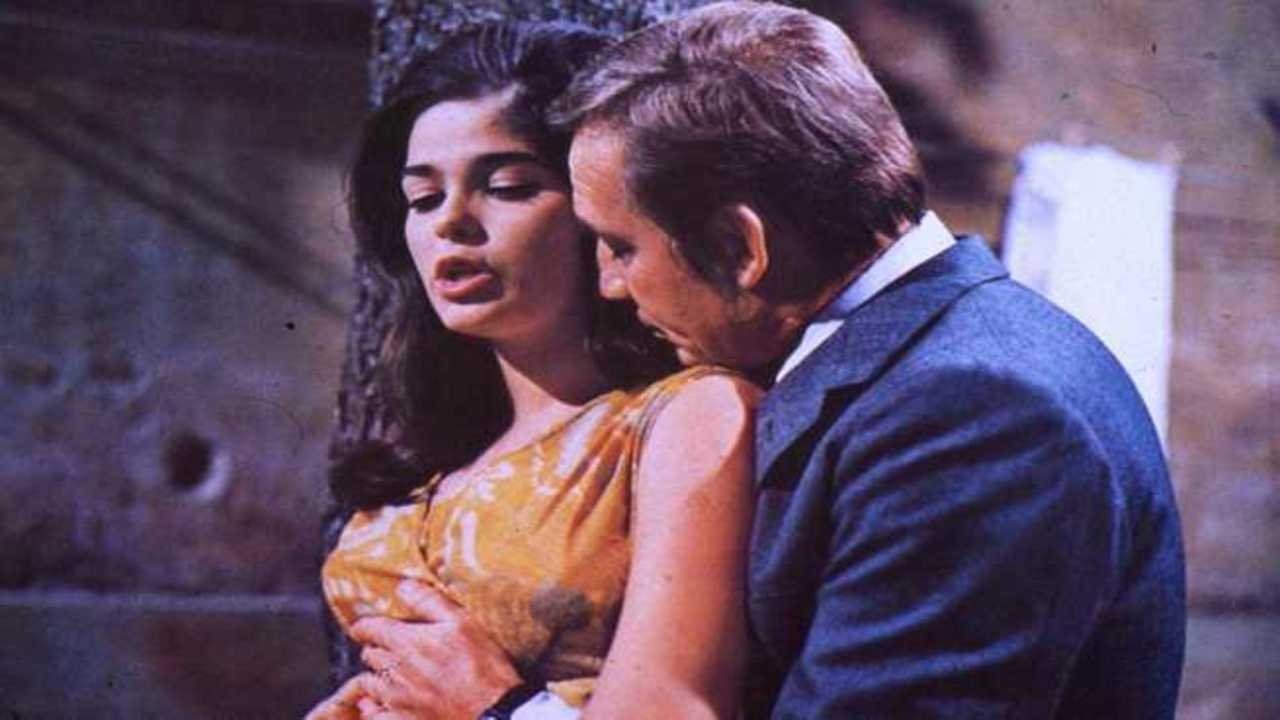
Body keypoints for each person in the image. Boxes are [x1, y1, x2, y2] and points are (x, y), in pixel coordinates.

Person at [422, 2, 1187, 718]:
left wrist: (505, 710)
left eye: (622, 247)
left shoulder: (975, 414)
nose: (610, 286)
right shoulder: (923, 367)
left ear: (740, 248)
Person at [306, 21, 758, 720]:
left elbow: (676, 707)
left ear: (598, 209)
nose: (452, 221)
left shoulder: (686, 416)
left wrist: (495, 707)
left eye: (509, 187)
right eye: (423, 199)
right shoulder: (430, 450)